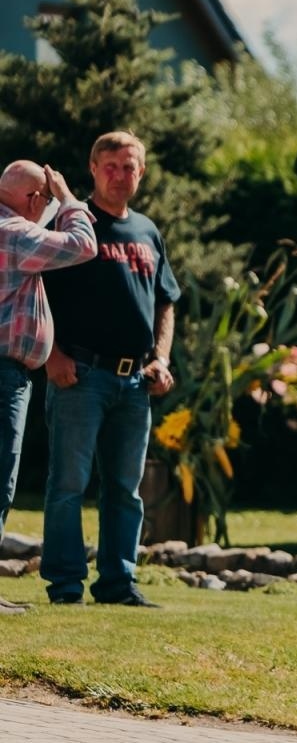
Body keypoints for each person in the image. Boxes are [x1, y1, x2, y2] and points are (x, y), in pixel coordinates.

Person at [41, 131, 181, 608]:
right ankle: (64, 587)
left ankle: (118, 584)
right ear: (93, 169)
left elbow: (166, 302)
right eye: (111, 166)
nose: (120, 175)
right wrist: (52, 354)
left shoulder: (147, 231)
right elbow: (35, 288)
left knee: (125, 490)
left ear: (141, 173)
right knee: (69, 485)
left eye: (130, 167)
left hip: (135, 382)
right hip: (80, 374)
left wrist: (161, 358)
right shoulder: (71, 222)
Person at [0, 161, 99, 614]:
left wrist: (48, 202)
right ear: (34, 199)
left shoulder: (12, 228)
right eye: (44, 198)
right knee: (0, 479)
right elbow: (83, 245)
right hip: (6, 375)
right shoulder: (17, 235)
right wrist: (71, 199)